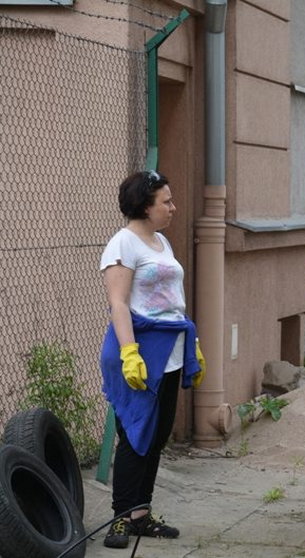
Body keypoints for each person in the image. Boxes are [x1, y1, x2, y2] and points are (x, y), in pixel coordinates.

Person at [99, 170, 206, 548]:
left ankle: (140, 514)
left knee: (157, 436)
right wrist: (130, 353)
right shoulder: (123, 244)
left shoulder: (161, 242)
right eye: (167, 201)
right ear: (145, 205)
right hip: (139, 352)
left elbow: (172, 301)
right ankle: (120, 518)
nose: (173, 207)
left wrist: (189, 345)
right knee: (136, 435)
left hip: (170, 354)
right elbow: (119, 303)